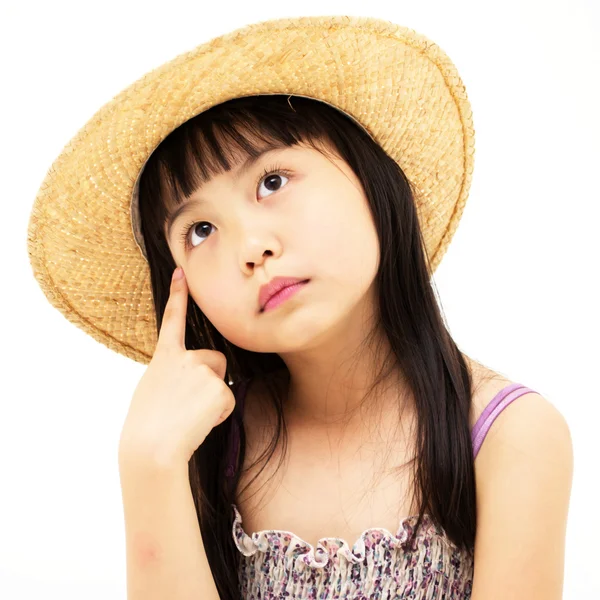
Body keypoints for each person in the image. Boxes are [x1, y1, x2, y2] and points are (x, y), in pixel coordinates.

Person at [26, 15, 573, 600]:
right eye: (201, 228)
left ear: (373, 179)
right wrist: (149, 467)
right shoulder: (210, 445)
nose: (252, 248)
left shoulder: (503, 436)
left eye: (272, 181)